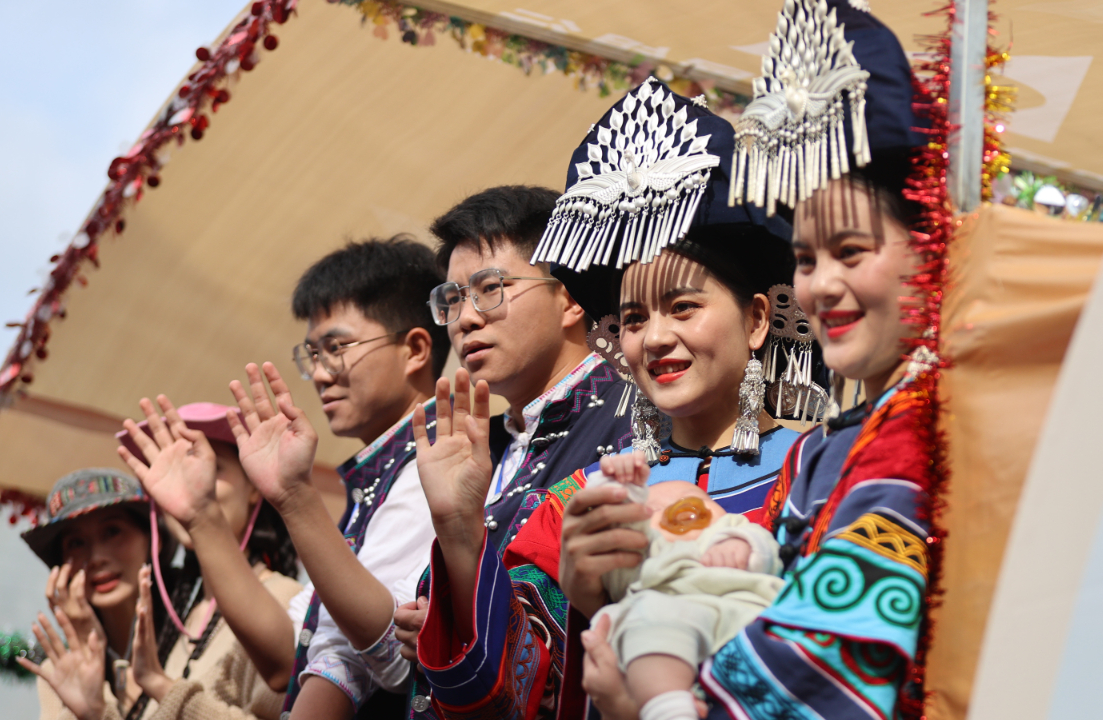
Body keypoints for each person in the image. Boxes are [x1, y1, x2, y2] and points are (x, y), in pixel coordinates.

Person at [580, 3, 949, 719]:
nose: (821, 285)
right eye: (806, 260)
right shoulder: (841, 440)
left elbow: (831, 671)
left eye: (851, 252)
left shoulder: (911, 436)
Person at [410, 83, 824, 720]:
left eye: (683, 306)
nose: (655, 337)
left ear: (759, 318)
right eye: (633, 318)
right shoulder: (581, 500)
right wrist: (461, 528)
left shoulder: (821, 473)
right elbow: (510, 703)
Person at [397, 186, 635, 716]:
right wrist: (440, 619)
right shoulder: (486, 443)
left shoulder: (632, 417)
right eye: (453, 300)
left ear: (570, 296)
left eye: (490, 288)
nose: (465, 320)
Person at [230, 236, 450, 720]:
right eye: (313, 353)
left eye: (337, 346)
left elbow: (387, 657)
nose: (322, 373)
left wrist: (294, 496)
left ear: (414, 348)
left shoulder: (434, 465)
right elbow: (291, 644)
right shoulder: (377, 478)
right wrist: (202, 518)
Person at [115, 398, 304, 720]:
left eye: (212, 467)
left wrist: (161, 686)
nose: (192, 483)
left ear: (255, 485)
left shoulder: (286, 600)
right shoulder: (182, 613)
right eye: (178, 468)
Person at [588, 454, 785, 720]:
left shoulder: (730, 529)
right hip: (668, 618)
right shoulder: (647, 551)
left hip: (742, 612)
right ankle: (667, 707)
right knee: (638, 624)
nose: (676, 507)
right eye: (654, 508)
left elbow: (767, 550)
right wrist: (616, 491)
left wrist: (742, 545)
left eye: (694, 498)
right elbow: (617, 574)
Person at [20, 468, 175, 720]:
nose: (96, 558)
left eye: (112, 531)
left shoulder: (200, 632)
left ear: (153, 539)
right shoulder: (58, 675)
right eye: (76, 543)